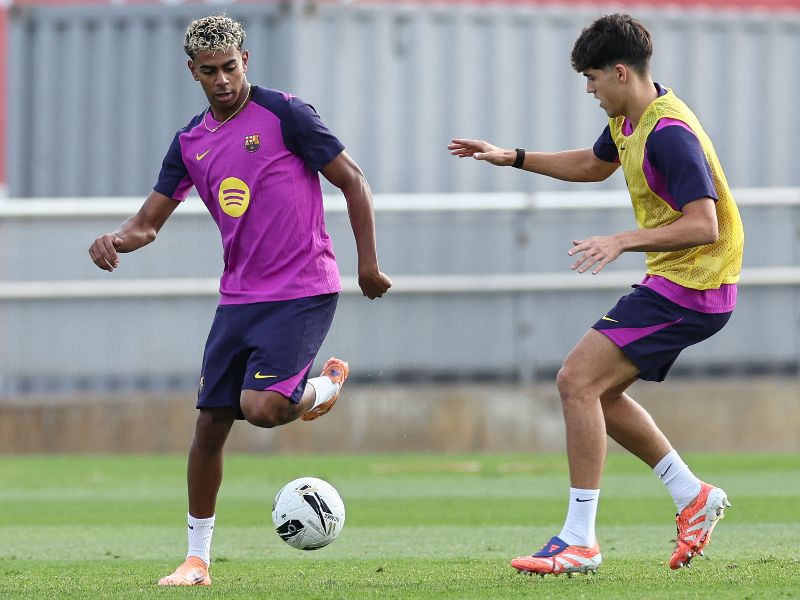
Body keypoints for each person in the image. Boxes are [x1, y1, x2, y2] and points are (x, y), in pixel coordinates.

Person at [89, 14, 392, 586]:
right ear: (193, 72)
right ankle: (197, 560)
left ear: (245, 60)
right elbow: (149, 221)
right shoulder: (190, 142)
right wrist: (116, 240)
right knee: (208, 427)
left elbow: (352, 179)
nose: (223, 79)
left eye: (231, 67)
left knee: (261, 409)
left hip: (303, 288)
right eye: (211, 71)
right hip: (238, 299)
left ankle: (319, 387)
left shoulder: (285, 114)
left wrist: (368, 264)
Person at [449, 13, 742, 576]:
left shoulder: (670, 134)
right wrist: (512, 156)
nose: (588, 89)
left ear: (620, 72)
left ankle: (580, 539)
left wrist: (621, 240)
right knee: (598, 395)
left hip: (695, 284)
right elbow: (592, 165)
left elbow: (704, 225)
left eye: (591, 78)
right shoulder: (629, 121)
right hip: (678, 281)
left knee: (574, 380)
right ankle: (692, 496)